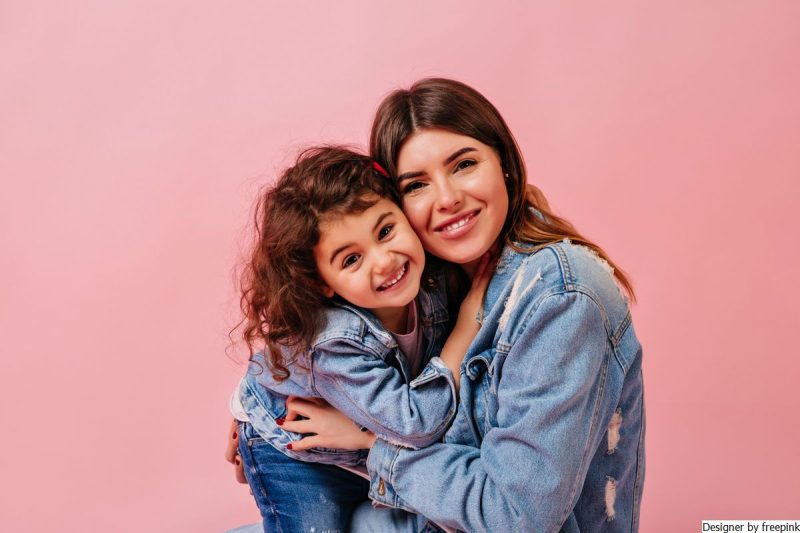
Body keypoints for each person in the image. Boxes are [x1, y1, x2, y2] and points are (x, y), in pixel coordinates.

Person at [271, 78, 646, 532]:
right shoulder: (427, 281)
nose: (447, 200)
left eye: (464, 164)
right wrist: (265, 422)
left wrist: (371, 446)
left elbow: (516, 517)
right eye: (417, 185)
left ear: (504, 163)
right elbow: (332, 347)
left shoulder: (560, 298)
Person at [227, 146, 494, 533]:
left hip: (361, 439)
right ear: (322, 283)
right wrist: (467, 326)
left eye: (386, 231)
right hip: (294, 450)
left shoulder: (431, 278)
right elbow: (414, 425)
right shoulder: (333, 342)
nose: (384, 261)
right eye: (351, 260)